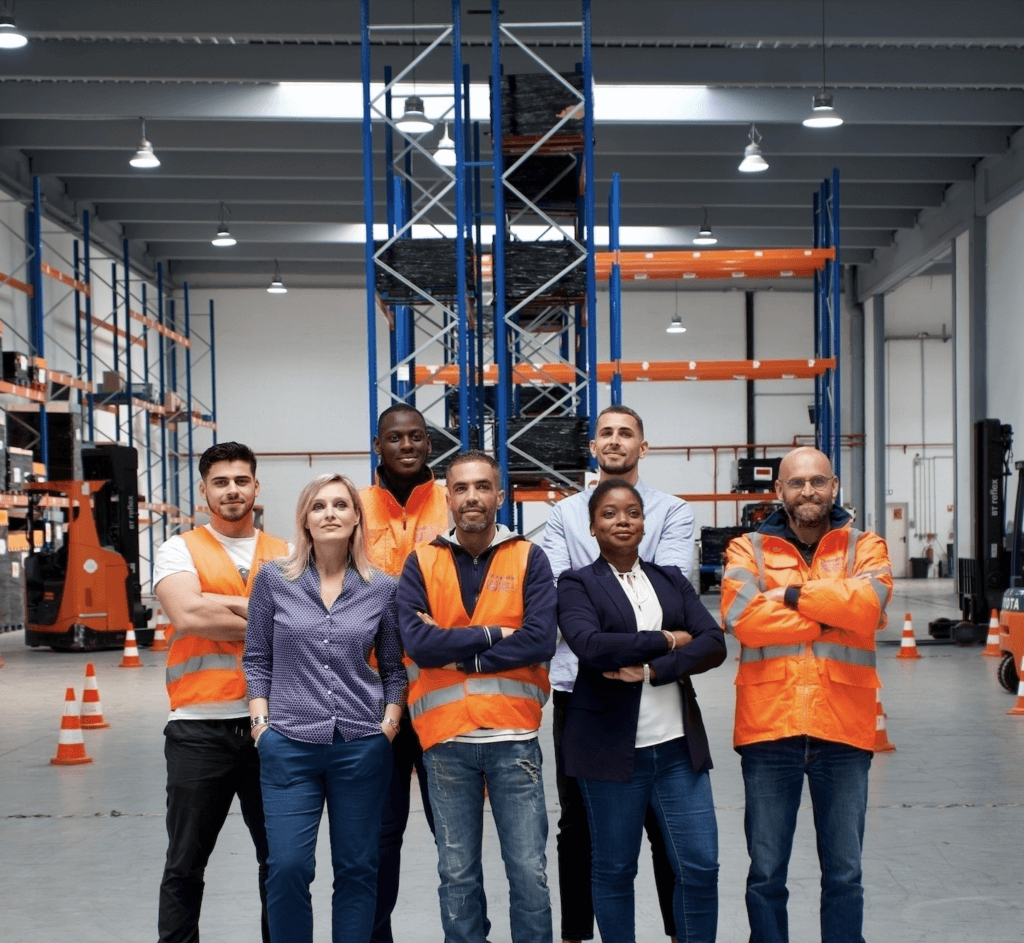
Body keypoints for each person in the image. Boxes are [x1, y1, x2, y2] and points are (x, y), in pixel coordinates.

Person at [720, 447, 893, 943]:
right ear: (779, 491)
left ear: (834, 486)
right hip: (769, 729)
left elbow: (868, 605)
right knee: (765, 873)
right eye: (796, 483)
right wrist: (833, 617)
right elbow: (743, 619)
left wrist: (793, 596)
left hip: (843, 729)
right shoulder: (747, 550)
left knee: (844, 873)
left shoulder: (865, 546)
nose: (808, 491)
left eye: (818, 481)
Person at [540, 404, 695, 943]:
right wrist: (651, 632)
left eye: (626, 433)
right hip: (579, 688)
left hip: (659, 685)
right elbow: (558, 597)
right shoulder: (563, 516)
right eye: (605, 433)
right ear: (593, 447)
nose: (614, 440)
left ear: (642, 447)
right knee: (578, 822)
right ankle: (576, 934)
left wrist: (597, 621)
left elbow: (674, 592)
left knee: (663, 823)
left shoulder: (673, 511)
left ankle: (678, 932)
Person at [397, 449, 556, 943]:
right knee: (457, 875)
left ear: (499, 495)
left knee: (528, 872)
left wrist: (460, 653)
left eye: (482, 486)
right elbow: (418, 644)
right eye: (462, 488)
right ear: (447, 497)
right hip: (446, 742)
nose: (472, 497)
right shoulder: (421, 561)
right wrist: (496, 635)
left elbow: (539, 640)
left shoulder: (529, 557)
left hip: (514, 738)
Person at [557, 479, 725, 943]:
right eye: (609, 514)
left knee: (701, 865)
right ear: (592, 526)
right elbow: (590, 645)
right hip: (609, 753)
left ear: (644, 524)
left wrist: (653, 670)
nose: (623, 521)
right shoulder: (576, 583)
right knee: (614, 869)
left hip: (678, 750)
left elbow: (714, 643)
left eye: (632, 512)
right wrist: (670, 639)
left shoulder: (670, 579)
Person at [244, 473, 406, 943]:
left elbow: (394, 669)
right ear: (305, 520)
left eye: (340, 505)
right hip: (288, 745)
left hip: (361, 747)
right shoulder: (274, 580)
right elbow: (256, 658)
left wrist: (388, 727)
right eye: (319, 506)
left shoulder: (382, 588)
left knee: (357, 867)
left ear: (356, 518)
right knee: (288, 866)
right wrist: (261, 726)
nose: (330, 513)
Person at [154, 441, 289, 943]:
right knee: (185, 863)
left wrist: (215, 600)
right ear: (204, 490)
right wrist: (267, 618)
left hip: (273, 729)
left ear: (255, 486)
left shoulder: (288, 553)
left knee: (281, 863)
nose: (232, 490)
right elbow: (187, 614)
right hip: (198, 729)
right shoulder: (178, 548)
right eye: (220, 482)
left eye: (240, 480)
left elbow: (306, 623)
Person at [359, 404, 448, 943]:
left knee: (453, 836)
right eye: (395, 438)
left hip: (442, 693)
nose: (407, 445)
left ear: (429, 445)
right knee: (379, 835)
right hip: (373, 697)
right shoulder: (355, 506)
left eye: (416, 436)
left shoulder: (453, 499)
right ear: (379, 445)